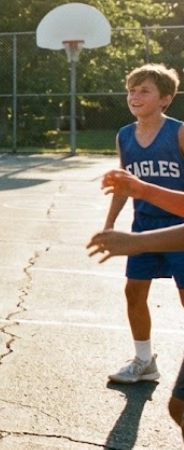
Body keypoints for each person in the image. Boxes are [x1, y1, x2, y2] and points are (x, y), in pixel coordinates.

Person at [101, 63, 184, 385]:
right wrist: (110, 223)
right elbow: (124, 185)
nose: (135, 96)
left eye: (144, 90)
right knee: (134, 293)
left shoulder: (178, 133)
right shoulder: (124, 135)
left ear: (165, 98)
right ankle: (144, 361)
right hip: (143, 226)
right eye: (131, 90)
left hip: (178, 229)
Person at [88, 167, 184, 447]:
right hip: (150, 228)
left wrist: (138, 241)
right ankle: (143, 360)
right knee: (178, 408)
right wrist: (140, 190)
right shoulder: (125, 137)